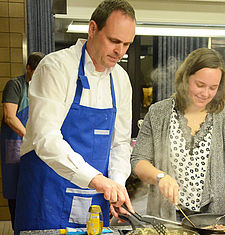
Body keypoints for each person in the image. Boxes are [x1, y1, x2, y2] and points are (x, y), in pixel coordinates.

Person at [14, 0, 136, 233]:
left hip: (94, 202)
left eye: (127, 44)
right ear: (92, 29)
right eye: (114, 41)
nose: (120, 51)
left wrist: (117, 185)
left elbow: (120, 144)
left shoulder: (120, 80)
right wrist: (97, 179)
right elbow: (45, 138)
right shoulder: (56, 68)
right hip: (46, 196)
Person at [131, 48, 225, 220]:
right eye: (200, 85)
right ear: (185, 78)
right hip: (167, 217)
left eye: (213, 87)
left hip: (212, 218)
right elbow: (138, 161)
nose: (205, 93)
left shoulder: (224, 117)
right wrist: (160, 177)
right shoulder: (159, 113)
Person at [0, 52, 44, 229]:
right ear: (28, 69)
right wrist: (30, 137)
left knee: (35, 186)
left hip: (36, 143)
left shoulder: (43, 87)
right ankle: (17, 228)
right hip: (15, 143)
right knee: (15, 187)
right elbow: (10, 117)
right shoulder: (15, 85)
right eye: (37, 72)